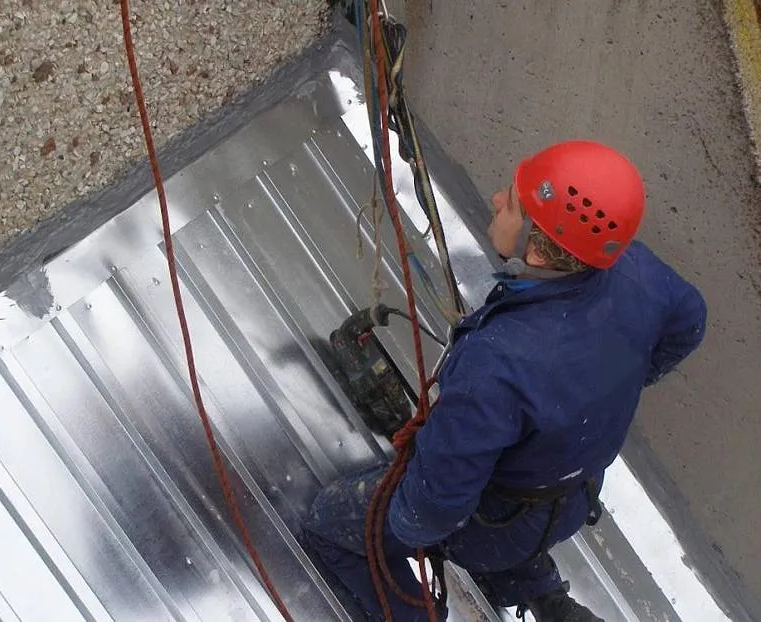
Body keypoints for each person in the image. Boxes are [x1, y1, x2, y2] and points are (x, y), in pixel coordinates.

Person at [303, 140, 707, 621]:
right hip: (571, 496)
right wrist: (599, 390)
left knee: (330, 526)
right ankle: (546, 599)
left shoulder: (497, 365)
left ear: (538, 242)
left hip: (499, 526)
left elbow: (431, 514)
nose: (497, 200)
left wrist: (409, 503)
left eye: (511, 201)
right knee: (516, 479)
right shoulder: (637, 274)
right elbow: (690, 321)